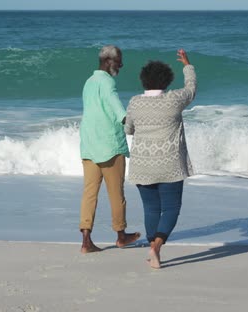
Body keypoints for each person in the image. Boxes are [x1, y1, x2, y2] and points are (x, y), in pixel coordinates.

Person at [124, 49, 197, 268]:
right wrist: (187, 65)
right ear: (167, 81)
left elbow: (128, 129)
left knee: (151, 209)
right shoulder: (174, 100)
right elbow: (191, 89)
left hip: (142, 164)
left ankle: (151, 246)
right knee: (172, 207)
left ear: (143, 81)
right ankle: (157, 246)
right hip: (170, 164)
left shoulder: (135, 102)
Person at [79, 45, 140, 254]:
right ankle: (121, 236)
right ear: (108, 61)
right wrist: (136, 126)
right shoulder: (108, 83)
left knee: (89, 193)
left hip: (88, 145)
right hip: (110, 146)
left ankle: (86, 241)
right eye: (119, 61)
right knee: (116, 194)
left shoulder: (88, 82)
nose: (121, 65)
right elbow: (118, 111)